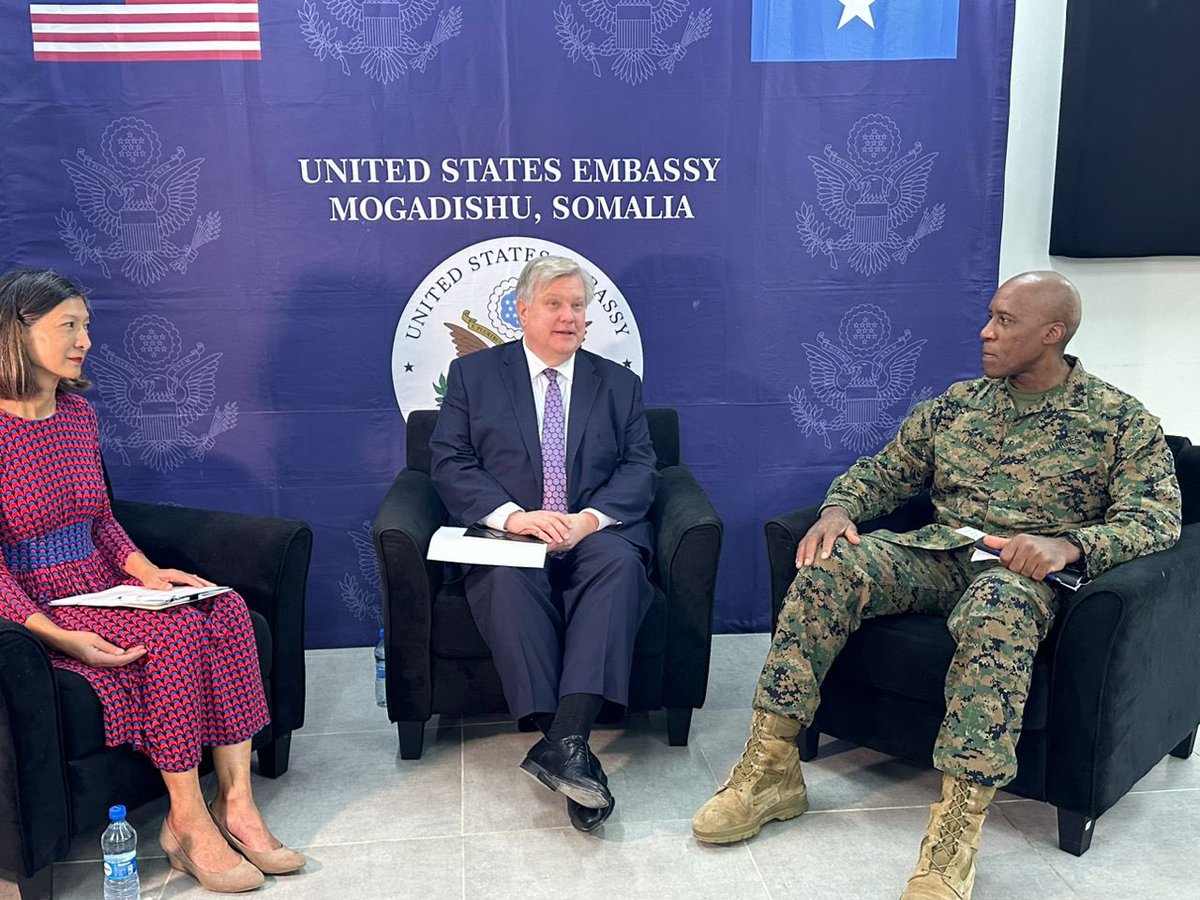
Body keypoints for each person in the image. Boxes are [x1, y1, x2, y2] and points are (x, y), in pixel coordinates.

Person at [692, 271, 1181, 899]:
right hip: (941, 553)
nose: (986, 331)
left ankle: (955, 834)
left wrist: (1071, 545)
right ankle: (771, 769)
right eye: (991, 315)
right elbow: (885, 471)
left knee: (999, 610)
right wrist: (839, 510)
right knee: (829, 568)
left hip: (1020, 576)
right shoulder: (959, 403)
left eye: (1005, 320)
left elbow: (1157, 518)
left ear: (1051, 334)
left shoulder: (1118, 420)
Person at [0, 268, 305, 893]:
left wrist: (147, 571)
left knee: (225, 609)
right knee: (172, 635)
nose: (86, 340)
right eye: (69, 326)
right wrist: (57, 636)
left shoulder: (77, 414)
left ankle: (236, 805)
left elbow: (101, 520)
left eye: (87, 325)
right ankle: (185, 823)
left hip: (100, 579)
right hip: (39, 598)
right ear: (16, 332)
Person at [429, 255, 658, 832]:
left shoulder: (619, 384)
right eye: (554, 304)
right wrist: (514, 518)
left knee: (620, 568)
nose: (568, 317)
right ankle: (571, 748)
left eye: (577, 306)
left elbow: (640, 467)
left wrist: (589, 519)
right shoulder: (474, 376)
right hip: (511, 531)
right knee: (506, 581)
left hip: (590, 531)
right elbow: (450, 461)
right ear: (523, 310)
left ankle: (565, 739)